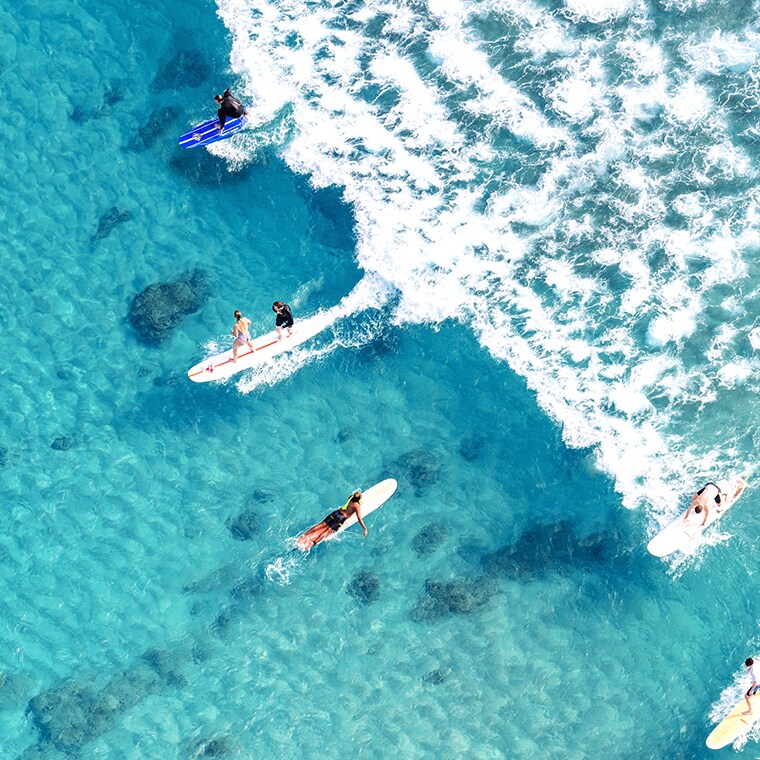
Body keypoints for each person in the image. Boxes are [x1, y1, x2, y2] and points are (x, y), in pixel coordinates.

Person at [297, 491, 367, 550]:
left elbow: (354, 498)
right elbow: (359, 518)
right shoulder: (356, 506)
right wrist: (365, 528)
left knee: (320, 525)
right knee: (327, 531)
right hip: (341, 518)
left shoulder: (350, 498)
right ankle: (312, 543)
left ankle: (304, 535)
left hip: (336, 513)